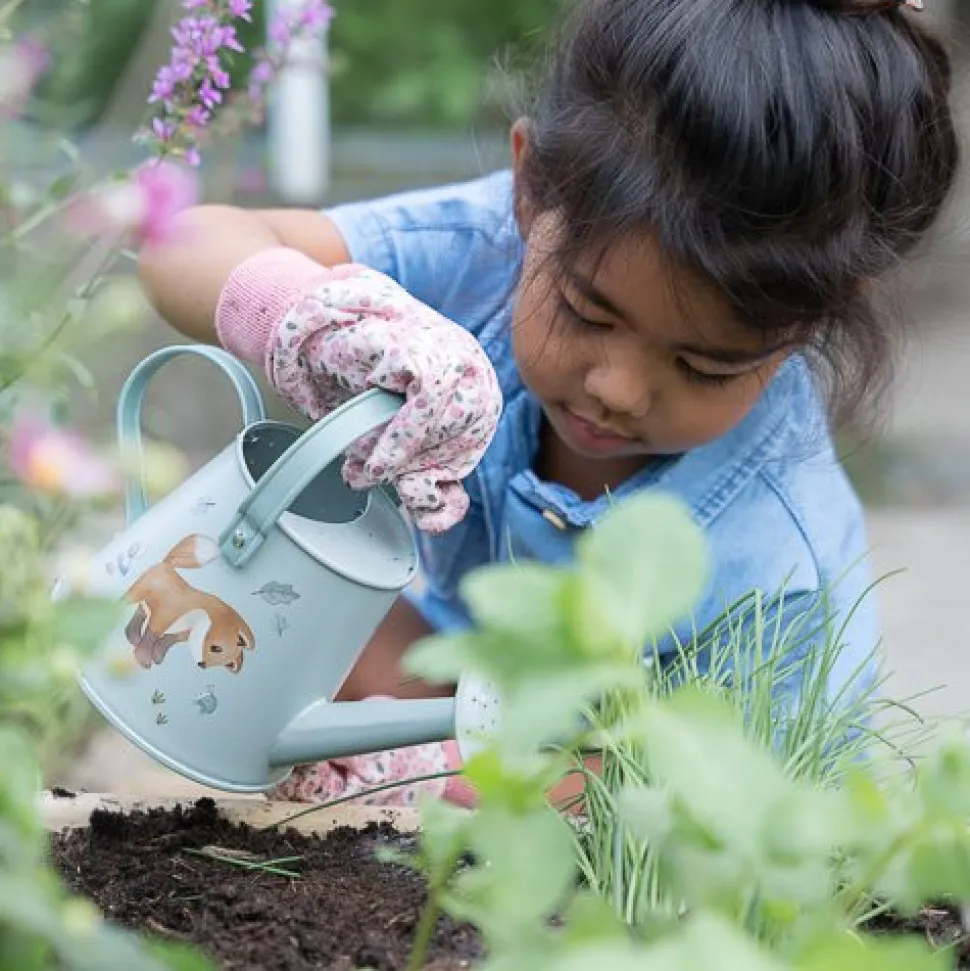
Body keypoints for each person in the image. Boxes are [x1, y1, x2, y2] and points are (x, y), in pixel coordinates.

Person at [137, 0, 959, 807]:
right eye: (587, 313)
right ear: (531, 188)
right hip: (465, 682)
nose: (617, 387)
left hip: (624, 778)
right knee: (275, 569)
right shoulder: (487, 247)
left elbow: (721, 814)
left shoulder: (779, 560)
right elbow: (183, 243)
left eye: (704, 365)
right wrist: (308, 317)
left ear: (808, 320)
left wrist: (445, 769)